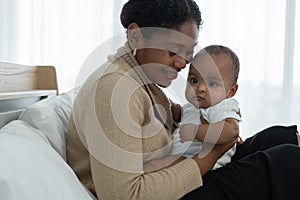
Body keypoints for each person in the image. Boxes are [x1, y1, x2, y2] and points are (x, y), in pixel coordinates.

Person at [66, 0, 300, 199]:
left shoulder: (143, 79)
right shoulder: (112, 88)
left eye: (188, 53)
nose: (182, 63)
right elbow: (125, 195)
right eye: (173, 51)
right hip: (167, 190)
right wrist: (212, 155)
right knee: (287, 161)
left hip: (177, 168)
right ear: (137, 36)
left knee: (277, 136)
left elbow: (176, 117)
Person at [170, 45, 242, 170]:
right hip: (184, 164)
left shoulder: (220, 106)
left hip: (208, 170)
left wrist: (196, 132)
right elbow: (180, 113)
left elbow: (231, 131)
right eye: (194, 80)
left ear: (231, 91)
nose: (200, 88)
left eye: (212, 83)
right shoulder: (193, 107)